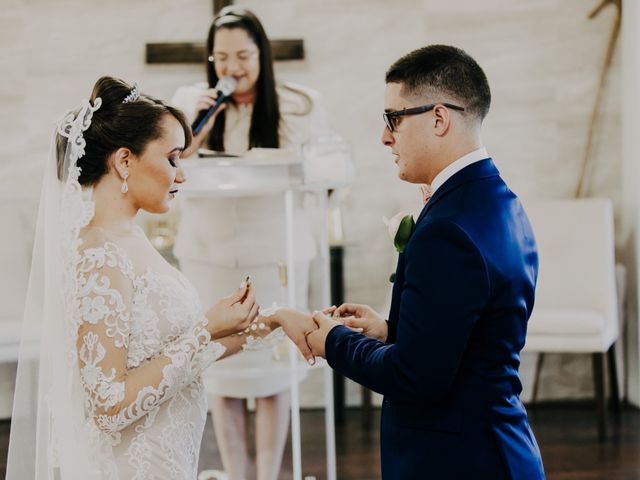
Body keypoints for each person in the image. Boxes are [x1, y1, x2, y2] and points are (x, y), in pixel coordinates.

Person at [5, 76, 316, 480]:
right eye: (172, 159)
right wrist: (205, 329)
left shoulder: (130, 238)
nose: (182, 176)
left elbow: (177, 359)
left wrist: (276, 321)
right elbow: (109, 407)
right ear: (124, 161)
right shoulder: (99, 256)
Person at [291, 45, 545, 479]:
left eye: (393, 119)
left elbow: (416, 379)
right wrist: (392, 330)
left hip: (460, 459)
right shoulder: (496, 199)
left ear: (439, 118)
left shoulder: (449, 229)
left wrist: (332, 340)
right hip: (494, 447)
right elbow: (472, 338)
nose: (384, 137)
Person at [171, 7, 329, 480]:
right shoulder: (187, 104)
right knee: (222, 367)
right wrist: (192, 121)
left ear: (262, 54)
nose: (231, 67)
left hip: (273, 249)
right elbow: (170, 164)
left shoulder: (298, 103)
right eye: (221, 58)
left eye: (242, 55)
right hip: (209, 251)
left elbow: (319, 172)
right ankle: (238, 475)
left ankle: (268, 473)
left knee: (271, 368)